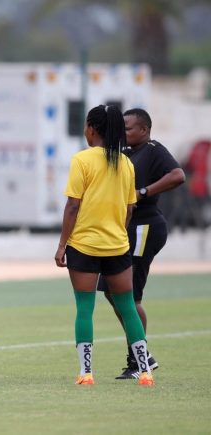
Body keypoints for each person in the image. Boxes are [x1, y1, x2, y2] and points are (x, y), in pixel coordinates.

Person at [55, 104, 154, 386]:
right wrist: (117, 234)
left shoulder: (82, 160)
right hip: (118, 246)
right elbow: (130, 209)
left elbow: (73, 205)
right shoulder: (126, 163)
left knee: (84, 308)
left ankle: (86, 373)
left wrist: (62, 245)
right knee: (128, 307)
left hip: (84, 245)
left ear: (91, 128)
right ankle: (145, 372)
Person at [97, 108, 185, 379]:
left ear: (144, 130)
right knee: (112, 291)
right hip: (124, 229)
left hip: (145, 227)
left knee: (129, 295)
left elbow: (178, 175)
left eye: (128, 128)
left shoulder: (153, 149)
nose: (123, 132)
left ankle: (138, 360)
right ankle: (141, 354)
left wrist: (144, 191)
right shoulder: (124, 154)